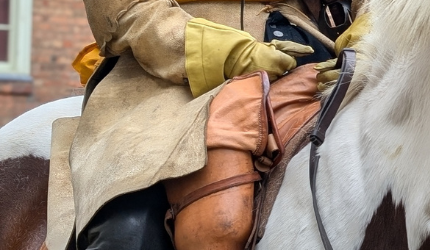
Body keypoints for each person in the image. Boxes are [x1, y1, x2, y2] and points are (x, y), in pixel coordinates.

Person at [48, 0, 368, 249]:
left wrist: (371, 39)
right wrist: (219, 52)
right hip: (166, 73)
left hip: (318, 60)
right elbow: (125, 9)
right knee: (130, 231)